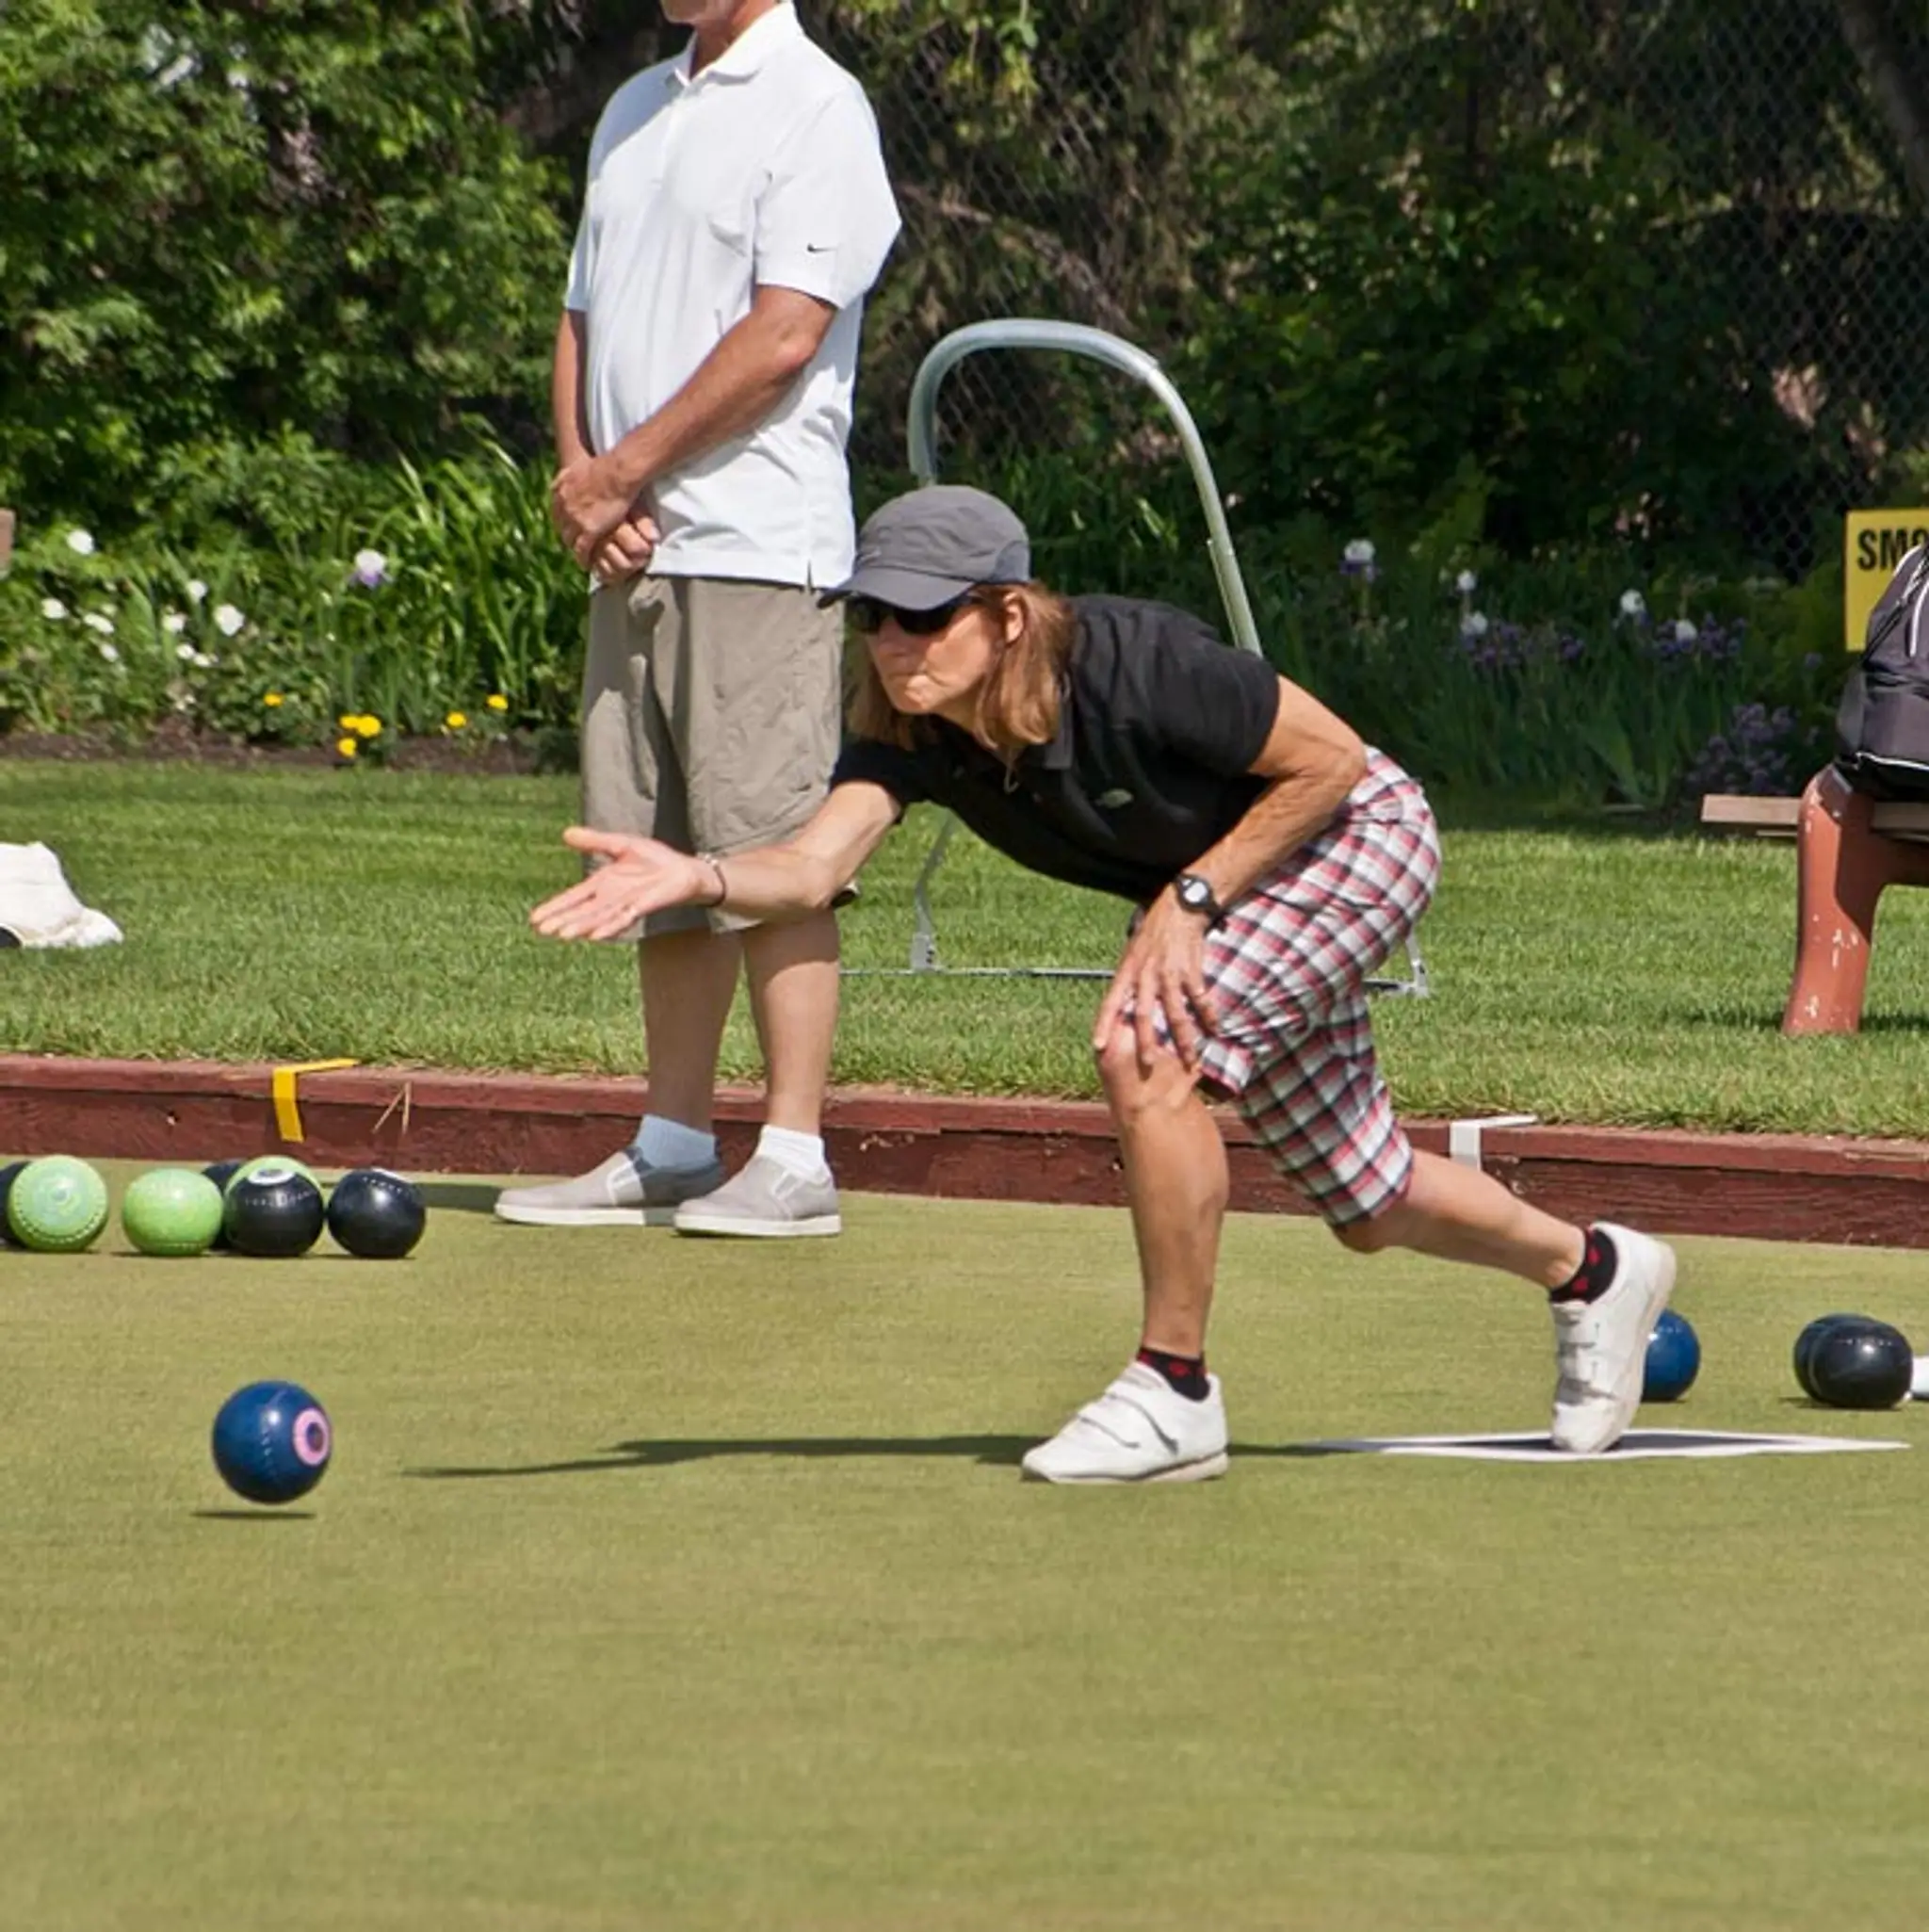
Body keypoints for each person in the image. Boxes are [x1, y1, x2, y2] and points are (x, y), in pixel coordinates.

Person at [529, 485, 1678, 1482]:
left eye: (924, 614)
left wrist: (1189, 902)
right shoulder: (912, 725)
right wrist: (700, 869)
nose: (891, 640)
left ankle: (1172, 1386)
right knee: (1365, 1200)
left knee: (1143, 1046)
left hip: (1345, 832)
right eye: (871, 614)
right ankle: (1593, 1269)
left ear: (1008, 612)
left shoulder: (1137, 663)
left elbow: (1328, 764)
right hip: (1220, 887)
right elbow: (817, 862)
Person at [494, 0, 900, 1239]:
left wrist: (627, 473)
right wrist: (584, 478)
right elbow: (579, 317)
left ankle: (794, 1155)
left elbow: (786, 332)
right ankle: (673, 1141)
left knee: (766, 851)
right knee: (651, 860)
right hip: (627, 548)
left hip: (758, 546)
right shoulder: (631, 108)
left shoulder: (819, 105)